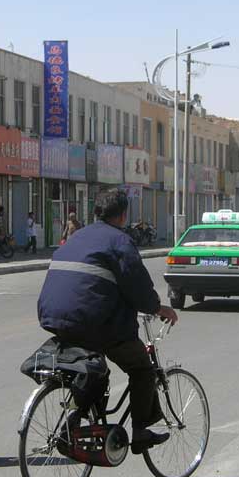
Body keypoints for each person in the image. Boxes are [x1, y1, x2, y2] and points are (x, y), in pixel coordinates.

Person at [37, 188, 178, 454]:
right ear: (124, 215)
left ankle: (83, 418)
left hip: (52, 317)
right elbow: (137, 286)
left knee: (96, 370)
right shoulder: (119, 241)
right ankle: (139, 432)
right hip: (92, 322)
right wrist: (157, 308)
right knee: (141, 368)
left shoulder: (76, 236)